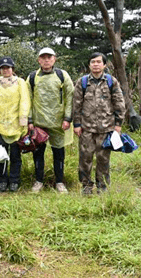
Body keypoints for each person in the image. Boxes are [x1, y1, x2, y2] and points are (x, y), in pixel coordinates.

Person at [73, 52, 125, 195]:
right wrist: (76, 124)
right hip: (86, 128)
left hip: (106, 128)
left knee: (103, 159)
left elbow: (119, 102)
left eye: (98, 62)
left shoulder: (111, 81)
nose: (95, 64)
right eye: (92, 62)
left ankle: (102, 187)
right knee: (85, 158)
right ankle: (86, 186)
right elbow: (76, 105)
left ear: (104, 64)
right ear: (89, 65)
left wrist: (118, 124)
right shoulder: (82, 82)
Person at [27, 47, 74, 193]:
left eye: (49, 57)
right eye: (43, 57)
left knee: (58, 154)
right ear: (39, 60)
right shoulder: (33, 77)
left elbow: (70, 96)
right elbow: (27, 99)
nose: (46, 60)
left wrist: (67, 118)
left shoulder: (62, 75)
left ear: (54, 59)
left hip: (58, 123)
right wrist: (29, 120)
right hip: (39, 123)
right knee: (38, 154)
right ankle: (38, 181)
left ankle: (59, 181)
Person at [0, 56, 30, 192]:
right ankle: (2, 180)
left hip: (16, 125)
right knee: (1, 155)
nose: (6, 70)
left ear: (13, 69)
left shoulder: (20, 83)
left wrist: (23, 121)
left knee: (15, 155)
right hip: (0, 125)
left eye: (8, 68)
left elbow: (24, 101)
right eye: (3, 68)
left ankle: (14, 180)